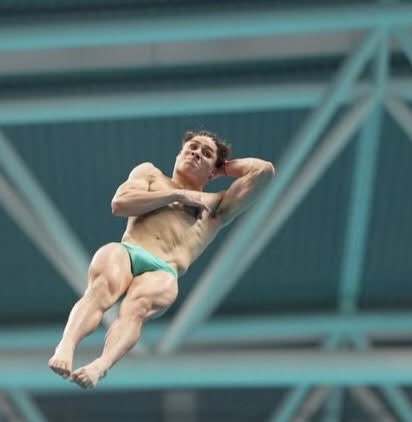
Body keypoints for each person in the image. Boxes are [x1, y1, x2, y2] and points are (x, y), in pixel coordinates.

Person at [48, 130, 275, 389]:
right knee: (100, 289)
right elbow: (120, 204)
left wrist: (224, 168)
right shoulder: (150, 174)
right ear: (179, 154)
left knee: (136, 310)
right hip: (128, 250)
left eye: (206, 153)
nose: (196, 153)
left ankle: (101, 365)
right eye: (192, 147)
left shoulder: (216, 206)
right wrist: (176, 195)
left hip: (163, 269)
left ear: (213, 171)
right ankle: (66, 345)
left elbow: (264, 171)